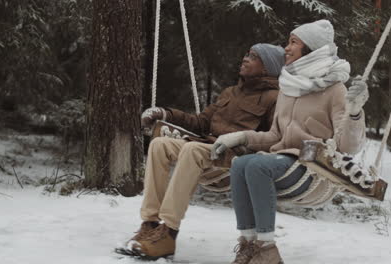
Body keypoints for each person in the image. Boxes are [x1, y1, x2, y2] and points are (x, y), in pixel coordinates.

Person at [211, 20, 368, 264]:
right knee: (239, 164)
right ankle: (249, 245)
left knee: (255, 165)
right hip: (281, 161)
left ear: (311, 48)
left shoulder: (335, 89)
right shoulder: (288, 86)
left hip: (311, 168)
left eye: (293, 42)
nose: (286, 47)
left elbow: (348, 146)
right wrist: (241, 137)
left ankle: (267, 249)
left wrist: (355, 112)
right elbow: (275, 137)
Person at [118, 43, 285, 260]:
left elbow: (272, 138)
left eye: (253, 56)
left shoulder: (275, 98)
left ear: (267, 67)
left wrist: (243, 144)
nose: (245, 58)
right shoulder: (231, 92)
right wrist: (165, 114)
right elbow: (201, 122)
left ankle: (168, 232)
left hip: (234, 156)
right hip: (207, 146)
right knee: (160, 144)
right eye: (246, 53)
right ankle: (149, 225)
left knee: (192, 149)